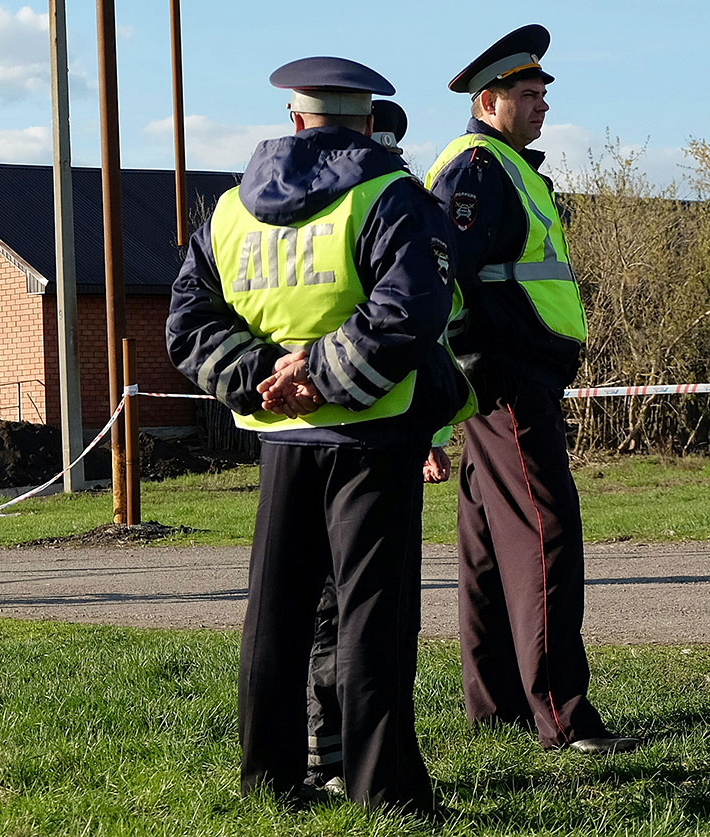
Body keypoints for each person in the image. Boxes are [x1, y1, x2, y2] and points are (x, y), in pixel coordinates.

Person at [166, 58, 470, 811]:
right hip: (372, 433)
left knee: (274, 615)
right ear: (368, 124)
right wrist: (327, 373)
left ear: (295, 121)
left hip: (280, 438)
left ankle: (269, 780)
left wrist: (268, 372)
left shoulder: (231, 211)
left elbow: (187, 324)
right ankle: (385, 790)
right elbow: (412, 309)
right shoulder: (390, 196)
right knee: (374, 615)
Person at [425, 24, 639, 754]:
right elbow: (439, 282)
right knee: (546, 537)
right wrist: (438, 404)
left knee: (488, 550)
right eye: (527, 93)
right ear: (489, 100)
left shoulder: (502, 167)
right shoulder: (479, 170)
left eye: (545, 92)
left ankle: (499, 710)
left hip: (499, 385)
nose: (541, 103)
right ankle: (563, 715)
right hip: (508, 381)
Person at [302, 97, 461, 795]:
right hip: (377, 433)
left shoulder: (293, 209)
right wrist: (429, 428)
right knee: (373, 605)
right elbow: (424, 334)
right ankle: (366, 759)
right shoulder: (401, 212)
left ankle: (323, 749)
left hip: (297, 431)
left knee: (321, 601)